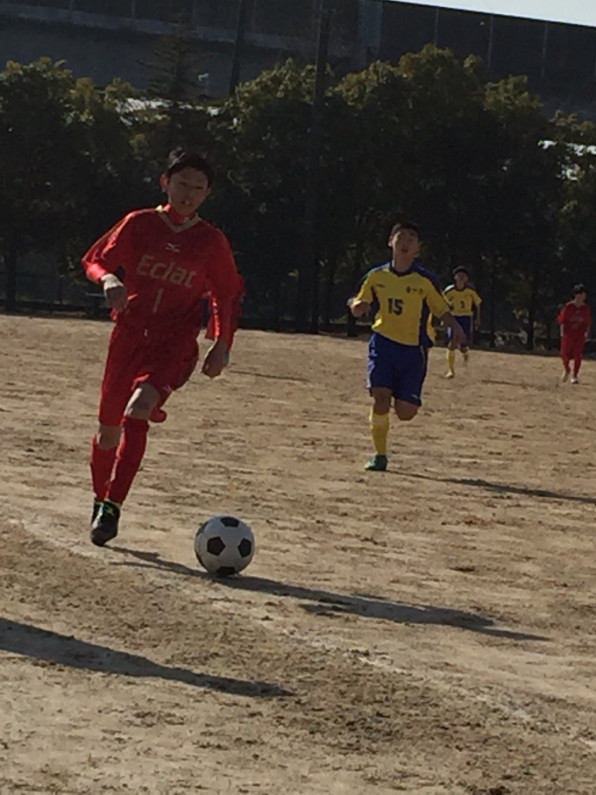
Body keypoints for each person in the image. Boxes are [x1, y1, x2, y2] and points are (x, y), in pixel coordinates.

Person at [82, 147, 243, 546]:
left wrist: (222, 344)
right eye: (182, 184)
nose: (188, 193)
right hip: (129, 336)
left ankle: (113, 507)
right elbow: (94, 260)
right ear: (165, 183)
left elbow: (226, 294)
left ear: (207, 194)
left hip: (174, 342)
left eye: (198, 188)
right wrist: (108, 280)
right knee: (107, 433)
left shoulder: (210, 241)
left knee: (138, 411)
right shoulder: (139, 224)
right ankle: (101, 498)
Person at [348, 221, 466, 472]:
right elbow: (358, 298)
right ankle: (379, 455)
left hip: (414, 350)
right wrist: (356, 306)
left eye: (412, 239)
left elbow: (441, 308)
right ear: (390, 242)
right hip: (383, 343)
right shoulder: (376, 276)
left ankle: (397, 397)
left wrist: (455, 327)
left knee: (405, 412)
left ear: (418, 249)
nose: (405, 242)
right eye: (400, 237)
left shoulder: (424, 280)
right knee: (380, 397)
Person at [443, 266, 482, 378]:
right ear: (454, 277)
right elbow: (442, 303)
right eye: (458, 275)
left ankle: (465, 352)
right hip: (453, 318)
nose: (460, 278)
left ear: (466, 279)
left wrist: (478, 318)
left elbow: (478, 303)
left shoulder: (470, 291)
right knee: (452, 343)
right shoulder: (449, 291)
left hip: (466, 317)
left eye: (463, 276)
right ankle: (451, 370)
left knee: (463, 344)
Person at [557, 284, 591, 384]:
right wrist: (562, 333)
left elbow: (587, 323)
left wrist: (587, 334)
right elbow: (562, 321)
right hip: (568, 335)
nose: (581, 297)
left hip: (579, 335)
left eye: (583, 295)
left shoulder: (586, 308)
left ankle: (575, 376)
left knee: (578, 355)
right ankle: (567, 369)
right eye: (579, 295)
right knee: (564, 355)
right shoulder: (569, 307)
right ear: (575, 295)